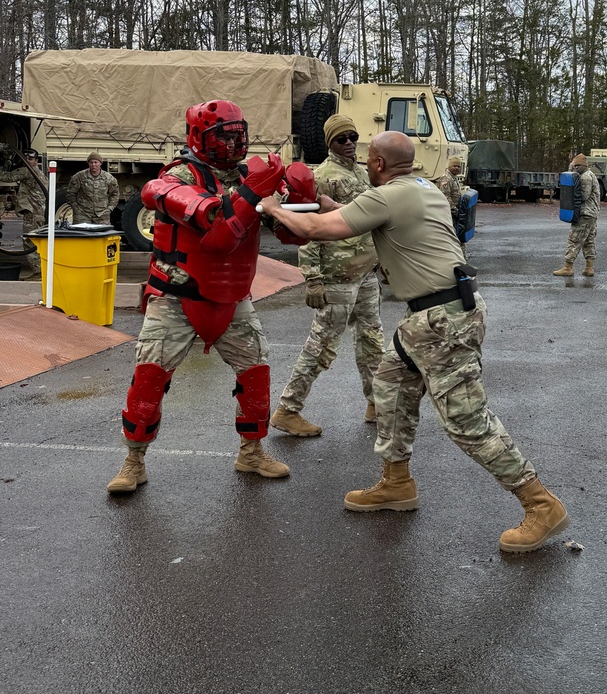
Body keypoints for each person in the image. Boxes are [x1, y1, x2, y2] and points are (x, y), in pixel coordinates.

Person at [262, 132, 569, 553]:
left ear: (376, 164)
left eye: (369, 159)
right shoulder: (424, 190)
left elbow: (319, 229)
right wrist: (335, 207)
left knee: (466, 421)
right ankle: (396, 482)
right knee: (389, 383)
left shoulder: (386, 196)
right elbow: (366, 220)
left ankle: (541, 504)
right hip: (440, 314)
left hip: (440, 320)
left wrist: (274, 207)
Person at [108, 101, 291, 494]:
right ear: (199, 137)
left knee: (256, 373)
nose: (233, 143)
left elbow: (291, 232)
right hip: (176, 295)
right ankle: (133, 461)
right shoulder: (180, 173)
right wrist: (251, 191)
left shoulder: (249, 176)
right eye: (224, 136)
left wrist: (293, 199)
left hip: (233, 298)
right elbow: (211, 225)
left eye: (237, 134)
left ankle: (252, 451)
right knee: (150, 378)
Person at [270, 114, 385, 437]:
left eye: (352, 137)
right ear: (329, 143)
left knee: (372, 341)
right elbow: (307, 230)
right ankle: (288, 409)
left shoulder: (363, 174)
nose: (348, 144)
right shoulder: (320, 178)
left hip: (364, 273)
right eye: (341, 139)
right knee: (321, 346)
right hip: (337, 276)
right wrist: (313, 278)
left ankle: (377, 402)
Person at [553, 153, 599, 278]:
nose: (575, 168)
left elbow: (583, 196)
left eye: (577, 166)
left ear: (583, 165)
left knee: (574, 239)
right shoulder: (590, 174)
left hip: (584, 213)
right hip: (592, 213)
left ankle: (568, 267)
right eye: (575, 165)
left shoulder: (585, 177)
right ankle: (589, 268)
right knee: (589, 241)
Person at [13, 149, 46, 275]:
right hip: (40, 213)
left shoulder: (27, 171)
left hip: (32, 214)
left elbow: (7, 176)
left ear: (36, 161)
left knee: (29, 242)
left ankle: (39, 272)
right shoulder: (40, 173)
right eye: (25, 159)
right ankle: (43, 270)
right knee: (38, 241)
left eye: (30, 159)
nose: (27, 161)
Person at [65, 152, 119, 225]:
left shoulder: (109, 178)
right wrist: (75, 207)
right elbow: (70, 193)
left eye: (96, 162)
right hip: (82, 213)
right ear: (88, 163)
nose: (93, 165)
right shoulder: (79, 177)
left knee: (101, 235)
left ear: (100, 163)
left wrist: (109, 208)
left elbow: (115, 194)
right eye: (91, 162)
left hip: (102, 214)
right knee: (82, 234)